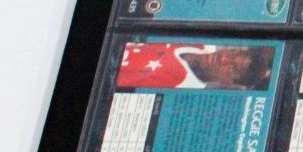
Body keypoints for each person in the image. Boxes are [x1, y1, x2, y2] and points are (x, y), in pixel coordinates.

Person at [116, 42, 274, 89]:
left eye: (232, 68)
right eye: (233, 53)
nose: (224, 58)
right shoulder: (200, 39)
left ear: (228, 83)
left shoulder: (180, 86)